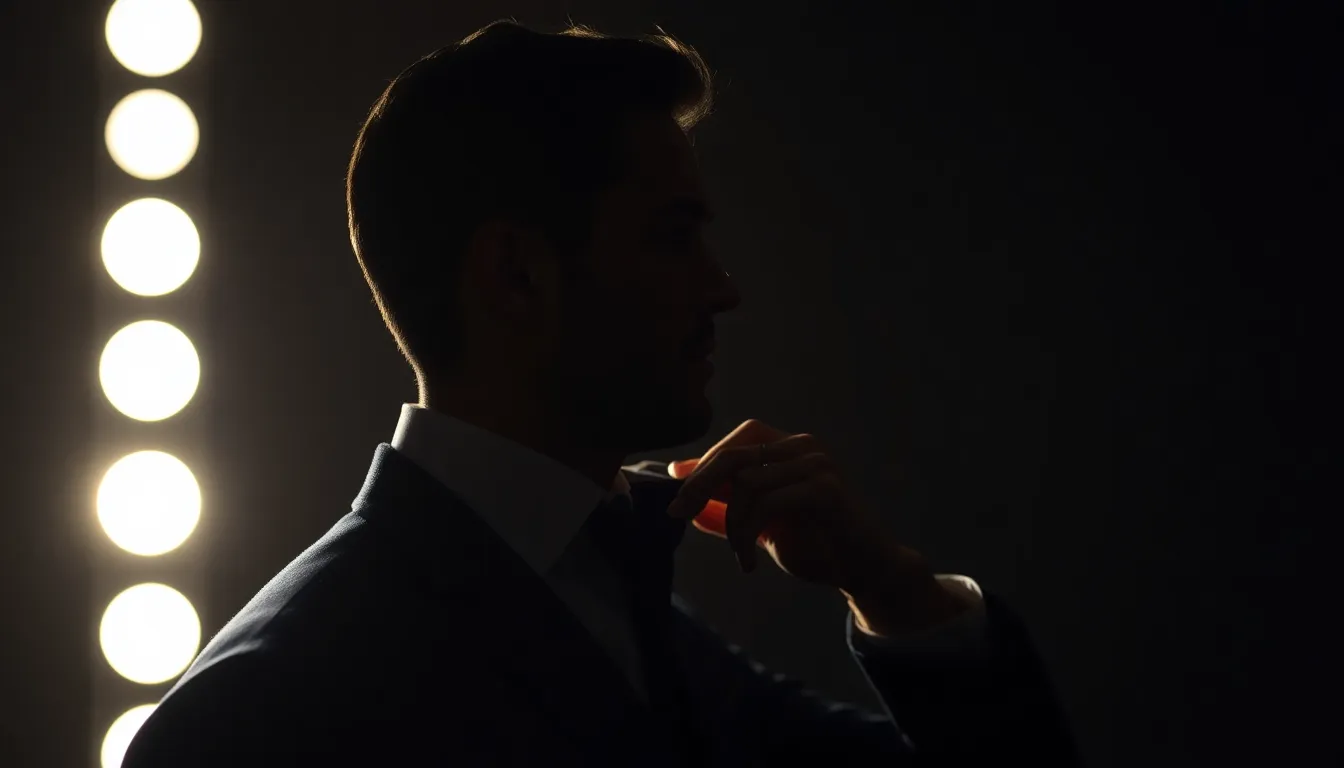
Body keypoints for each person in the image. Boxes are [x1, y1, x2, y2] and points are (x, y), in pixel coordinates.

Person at [123, 19, 1079, 766]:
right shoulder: (260, 713)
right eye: (671, 236)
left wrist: (895, 589)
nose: (724, 288)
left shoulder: (643, 627)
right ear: (516, 276)